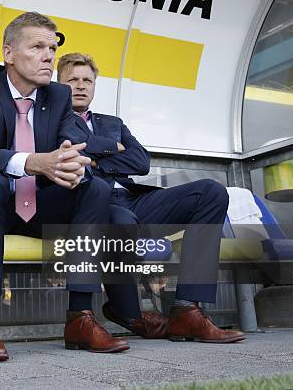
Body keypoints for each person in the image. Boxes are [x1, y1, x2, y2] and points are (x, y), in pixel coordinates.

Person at [0, 12, 130, 361]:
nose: (49, 55)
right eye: (37, 47)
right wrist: (35, 161)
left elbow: (73, 141)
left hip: (42, 204)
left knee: (94, 189)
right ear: (9, 54)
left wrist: (71, 161)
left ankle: (81, 316)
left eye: (52, 46)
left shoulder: (58, 94)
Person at [56, 52, 245, 343]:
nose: (81, 86)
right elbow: (68, 148)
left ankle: (187, 309)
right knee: (121, 220)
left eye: (87, 80)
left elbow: (141, 162)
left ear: (94, 85)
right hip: (90, 204)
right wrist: (113, 148)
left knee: (211, 192)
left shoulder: (113, 121)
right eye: (72, 80)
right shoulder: (52, 117)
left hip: (132, 198)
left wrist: (95, 160)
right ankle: (128, 312)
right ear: (59, 84)